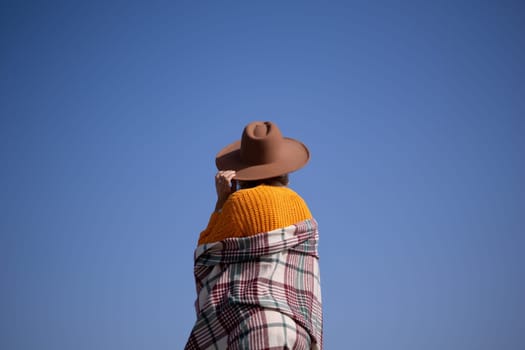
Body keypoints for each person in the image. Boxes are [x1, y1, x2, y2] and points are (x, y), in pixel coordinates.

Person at [185, 121, 323, 350]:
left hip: (253, 324)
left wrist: (221, 201)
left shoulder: (239, 203)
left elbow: (207, 254)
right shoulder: (300, 204)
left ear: (242, 168)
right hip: (296, 328)